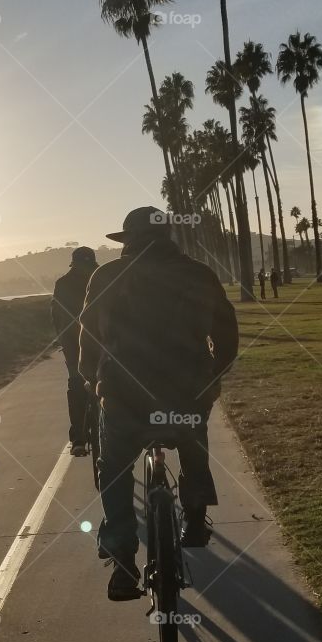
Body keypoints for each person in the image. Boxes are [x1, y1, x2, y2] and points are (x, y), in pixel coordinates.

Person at [79, 207, 238, 601]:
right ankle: (197, 519)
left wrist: (92, 380)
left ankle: (122, 561)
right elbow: (227, 331)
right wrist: (213, 377)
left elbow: (87, 339)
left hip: (124, 397)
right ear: (168, 236)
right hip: (187, 393)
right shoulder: (199, 274)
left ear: (128, 240)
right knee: (192, 441)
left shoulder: (108, 276)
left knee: (114, 467)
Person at [51, 246, 99, 455]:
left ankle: (78, 439)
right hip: (101, 345)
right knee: (112, 384)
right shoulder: (100, 279)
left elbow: (57, 317)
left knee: (76, 386)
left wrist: (63, 340)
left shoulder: (62, 284)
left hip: (74, 346)